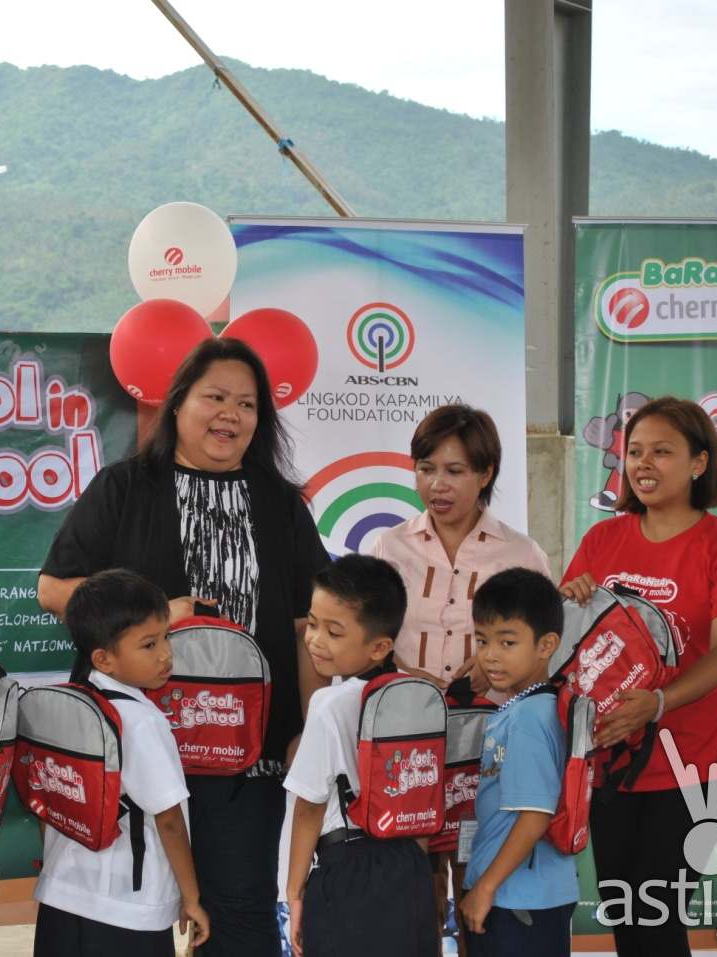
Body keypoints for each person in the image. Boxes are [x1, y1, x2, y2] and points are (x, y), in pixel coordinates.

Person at [39, 338, 330, 956]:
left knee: (239, 916)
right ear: (178, 405)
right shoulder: (124, 487)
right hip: (131, 747)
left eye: (247, 404)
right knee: (115, 920)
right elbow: (52, 589)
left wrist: (309, 723)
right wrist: (147, 614)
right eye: (215, 397)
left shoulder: (282, 505)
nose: (231, 414)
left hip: (248, 759)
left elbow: (310, 625)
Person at [560, 395, 717, 957]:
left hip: (698, 763)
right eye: (634, 452)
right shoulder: (602, 541)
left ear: (700, 463)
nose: (643, 464)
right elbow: (566, 648)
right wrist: (568, 602)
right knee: (626, 916)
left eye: (662, 452)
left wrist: (657, 702)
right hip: (613, 762)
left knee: (657, 916)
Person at [368, 402, 550, 940]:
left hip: (489, 744)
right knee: (415, 890)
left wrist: (499, 670)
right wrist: (397, 671)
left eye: (454, 471)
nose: (437, 485)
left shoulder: (521, 552)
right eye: (426, 469)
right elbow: (366, 635)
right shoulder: (388, 545)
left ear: (486, 473)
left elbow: (544, 658)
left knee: (476, 886)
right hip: (408, 741)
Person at [33, 569, 210, 956]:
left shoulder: (69, 703)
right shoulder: (142, 720)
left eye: (166, 637)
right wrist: (192, 896)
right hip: (127, 909)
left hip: (61, 895)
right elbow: (168, 820)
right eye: (148, 645)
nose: (165, 653)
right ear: (104, 659)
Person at [283, 554, 437, 957]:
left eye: (334, 632)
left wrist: (294, 891)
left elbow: (308, 808)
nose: (315, 640)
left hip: (347, 871)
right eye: (313, 624)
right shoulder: (418, 694)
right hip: (410, 868)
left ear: (380, 647)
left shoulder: (329, 705)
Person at [457, 567, 578, 957]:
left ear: (546, 645)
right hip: (521, 895)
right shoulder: (526, 707)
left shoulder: (529, 717)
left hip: (517, 899)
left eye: (507, 642)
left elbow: (535, 815)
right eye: (482, 640)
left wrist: (486, 887)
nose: (490, 655)